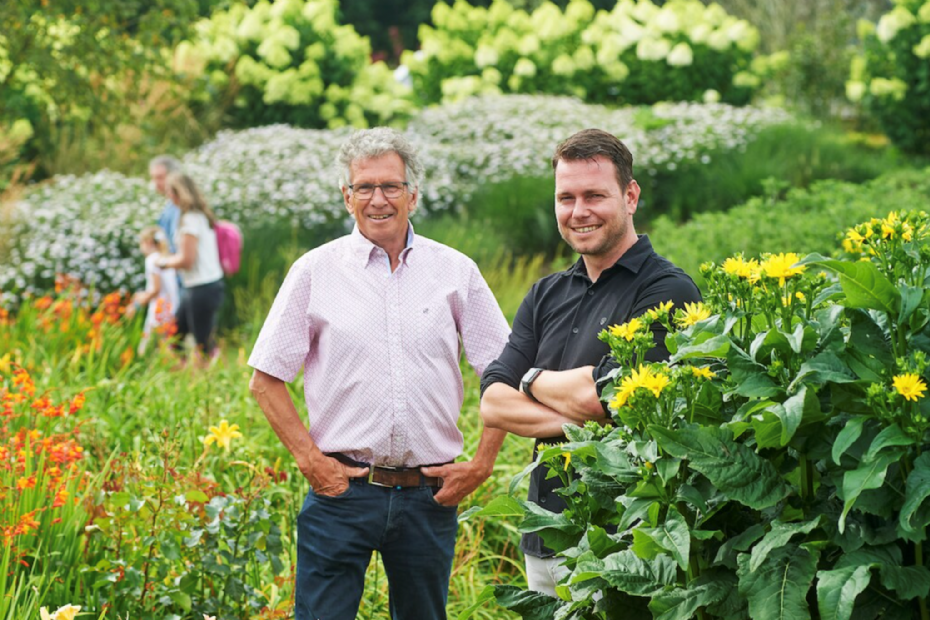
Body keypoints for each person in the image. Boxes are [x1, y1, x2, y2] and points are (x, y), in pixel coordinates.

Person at [247, 127, 511, 620]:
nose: (378, 199)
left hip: (429, 496)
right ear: (347, 197)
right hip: (341, 492)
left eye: (390, 186)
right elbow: (265, 379)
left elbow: (502, 371)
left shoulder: (455, 271)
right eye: (364, 187)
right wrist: (310, 462)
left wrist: (481, 464)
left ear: (413, 193)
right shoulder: (314, 271)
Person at [479, 128, 703, 596]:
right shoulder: (545, 294)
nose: (578, 212)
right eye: (566, 198)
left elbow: (612, 398)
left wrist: (532, 377)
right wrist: (584, 405)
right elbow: (494, 405)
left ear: (630, 196)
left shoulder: (667, 293)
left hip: (628, 543)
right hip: (545, 539)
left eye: (594, 196)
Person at [157, 172, 225, 367]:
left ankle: (207, 381)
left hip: (201, 288)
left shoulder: (190, 220)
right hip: (199, 286)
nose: (167, 196)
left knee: (202, 345)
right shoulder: (197, 216)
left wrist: (163, 263)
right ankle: (189, 376)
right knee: (174, 337)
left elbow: (187, 260)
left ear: (178, 193)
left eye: (169, 191)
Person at [128, 226, 180, 355]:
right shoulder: (165, 259)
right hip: (171, 307)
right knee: (165, 346)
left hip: (159, 310)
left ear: (148, 243)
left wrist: (137, 303)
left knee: (145, 349)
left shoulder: (151, 260)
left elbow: (156, 289)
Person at [149, 155, 182, 253]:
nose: (156, 183)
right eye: (153, 178)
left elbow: (176, 246)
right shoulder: (168, 206)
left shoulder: (182, 206)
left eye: (160, 177)